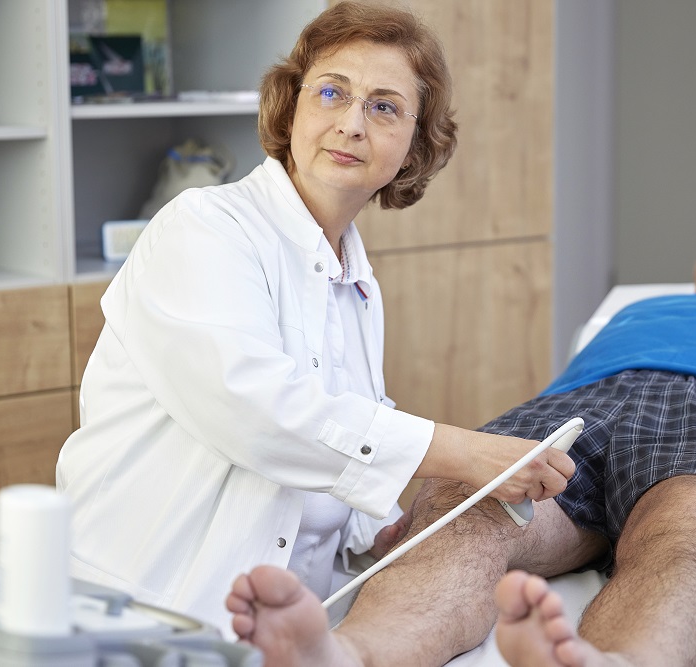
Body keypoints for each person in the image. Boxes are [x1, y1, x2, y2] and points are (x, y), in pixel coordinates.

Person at [55, 1, 573, 637]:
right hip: (150, 608)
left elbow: (340, 440)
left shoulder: (352, 277)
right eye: (332, 92)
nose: (352, 124)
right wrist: (465, 453)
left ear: (414, 144)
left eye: (384, 107)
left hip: (281, 621)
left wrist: (373, 532)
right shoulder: (205, 228)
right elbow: (257, 413)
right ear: (290, 106)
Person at [225, 220, 696, 667]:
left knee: (684, 529)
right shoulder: (638, 313)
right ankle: (354, 652)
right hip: (583, 404)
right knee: (468, 500)